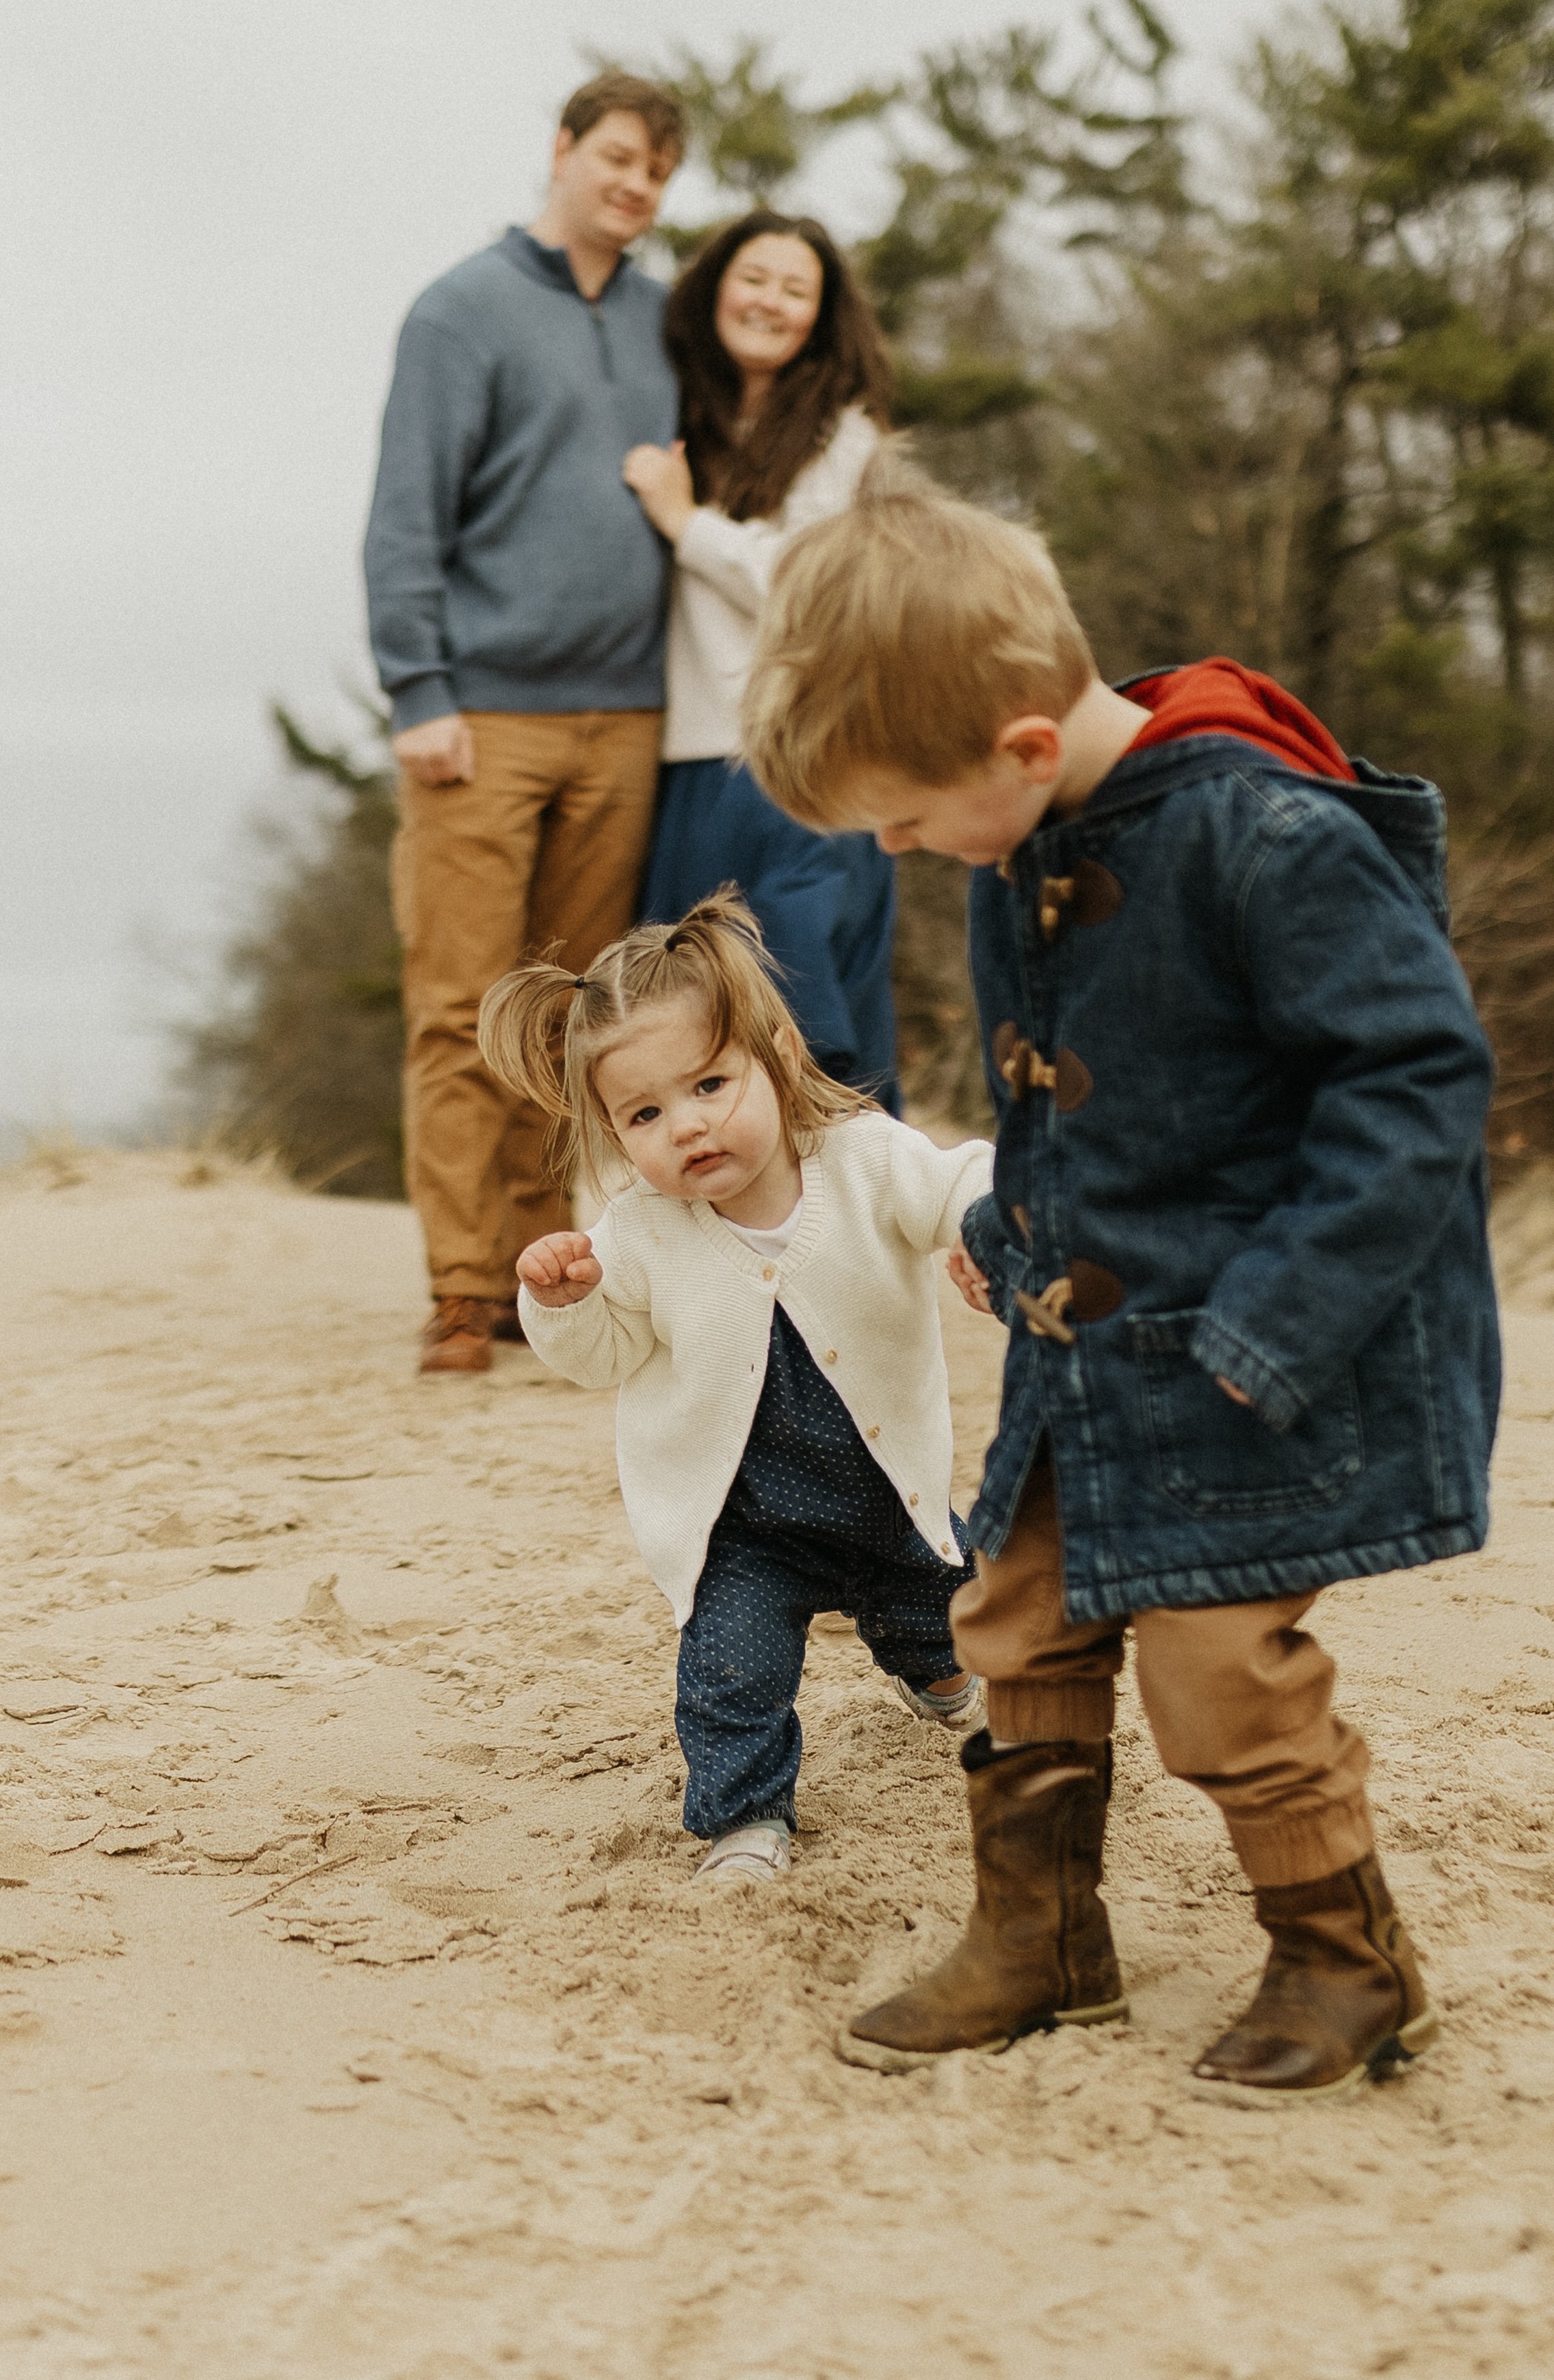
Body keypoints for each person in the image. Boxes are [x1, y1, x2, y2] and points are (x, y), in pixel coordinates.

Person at [741, 463, 1499, 2100]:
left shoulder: (1259, 835)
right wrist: (1012, 1223)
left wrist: (1277, 1317)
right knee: (1013, 1619)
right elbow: (1087, 1089)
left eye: (906, 817)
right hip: (1091, 1344)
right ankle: (1041, 1941)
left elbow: (1416, 1078)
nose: (895, 846)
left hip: (1250, 1347)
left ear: (1020, 747)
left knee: (1220, 1667)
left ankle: (1341, 1961)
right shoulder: (1031, 834)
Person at [475, 895, 992, 1880]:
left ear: (779, 1057)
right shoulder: (636, 1233)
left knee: (943, 1621)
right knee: (731, 1675)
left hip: (887, 1497)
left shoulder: (866, 1162)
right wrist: (565, 1300)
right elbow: (603, 1359)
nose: (690, 1125)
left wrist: (984, 1223)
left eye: (711, 1083)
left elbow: (960, 1179)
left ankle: (941, 1681)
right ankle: (746, 1821)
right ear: (612, 1132)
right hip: (741, 1524)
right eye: (646, 1113)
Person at [364, 72, 685, 1375]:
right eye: (615, 156)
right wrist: (418, 691)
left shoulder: (671, 325)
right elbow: (405, 518)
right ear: (562, 151)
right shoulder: (462, 310)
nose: (635, 185)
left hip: (627, 718)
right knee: (458, 1006)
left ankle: (541, 1273)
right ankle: (458, 1285)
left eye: (658, 171)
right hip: (483, 717)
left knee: (575, 1015)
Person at [619, 211, 901, 1109]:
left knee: (809, 1033)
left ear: (821, 317)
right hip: (691, 764)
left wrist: (683, 521)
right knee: (689, 1030)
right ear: (714, 290)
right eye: (756, 278)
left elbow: (804, 580)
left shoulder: (842, 437)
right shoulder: (674, 417)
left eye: (796, 289)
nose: (771, 302)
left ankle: (866, 1239)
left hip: (800, 763)